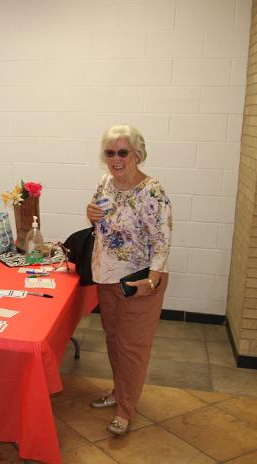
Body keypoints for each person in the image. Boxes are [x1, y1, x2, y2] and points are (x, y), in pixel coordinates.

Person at [85, 124, 172, 436]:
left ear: (137, 154)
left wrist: (152, 281)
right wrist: (91, 214)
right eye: (110, 153)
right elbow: (98, 218)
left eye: (123, 152)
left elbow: (162, 241)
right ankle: (118, 392)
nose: (116, 159)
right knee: (113, 340)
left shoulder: (152, 191)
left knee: (132, 347)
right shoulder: (105, 183)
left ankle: (125, 409)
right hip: (106, 276)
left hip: (138, 281)